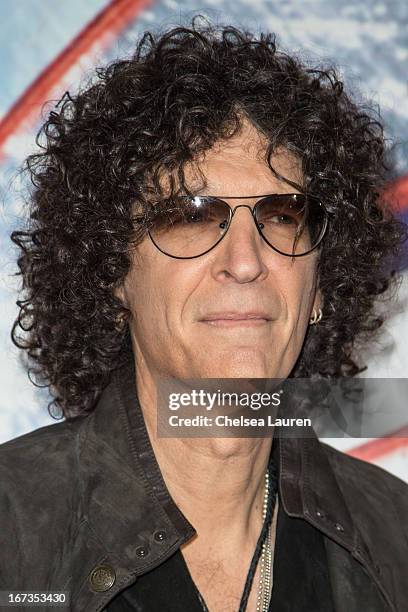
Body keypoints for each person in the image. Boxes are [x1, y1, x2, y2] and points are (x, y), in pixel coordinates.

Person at [1, 17, 407, 612]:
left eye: (282, 216)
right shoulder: (11, 528)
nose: (246, 261)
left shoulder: (394, 536)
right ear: (111, 272)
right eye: (189, 216)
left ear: (320, 285)